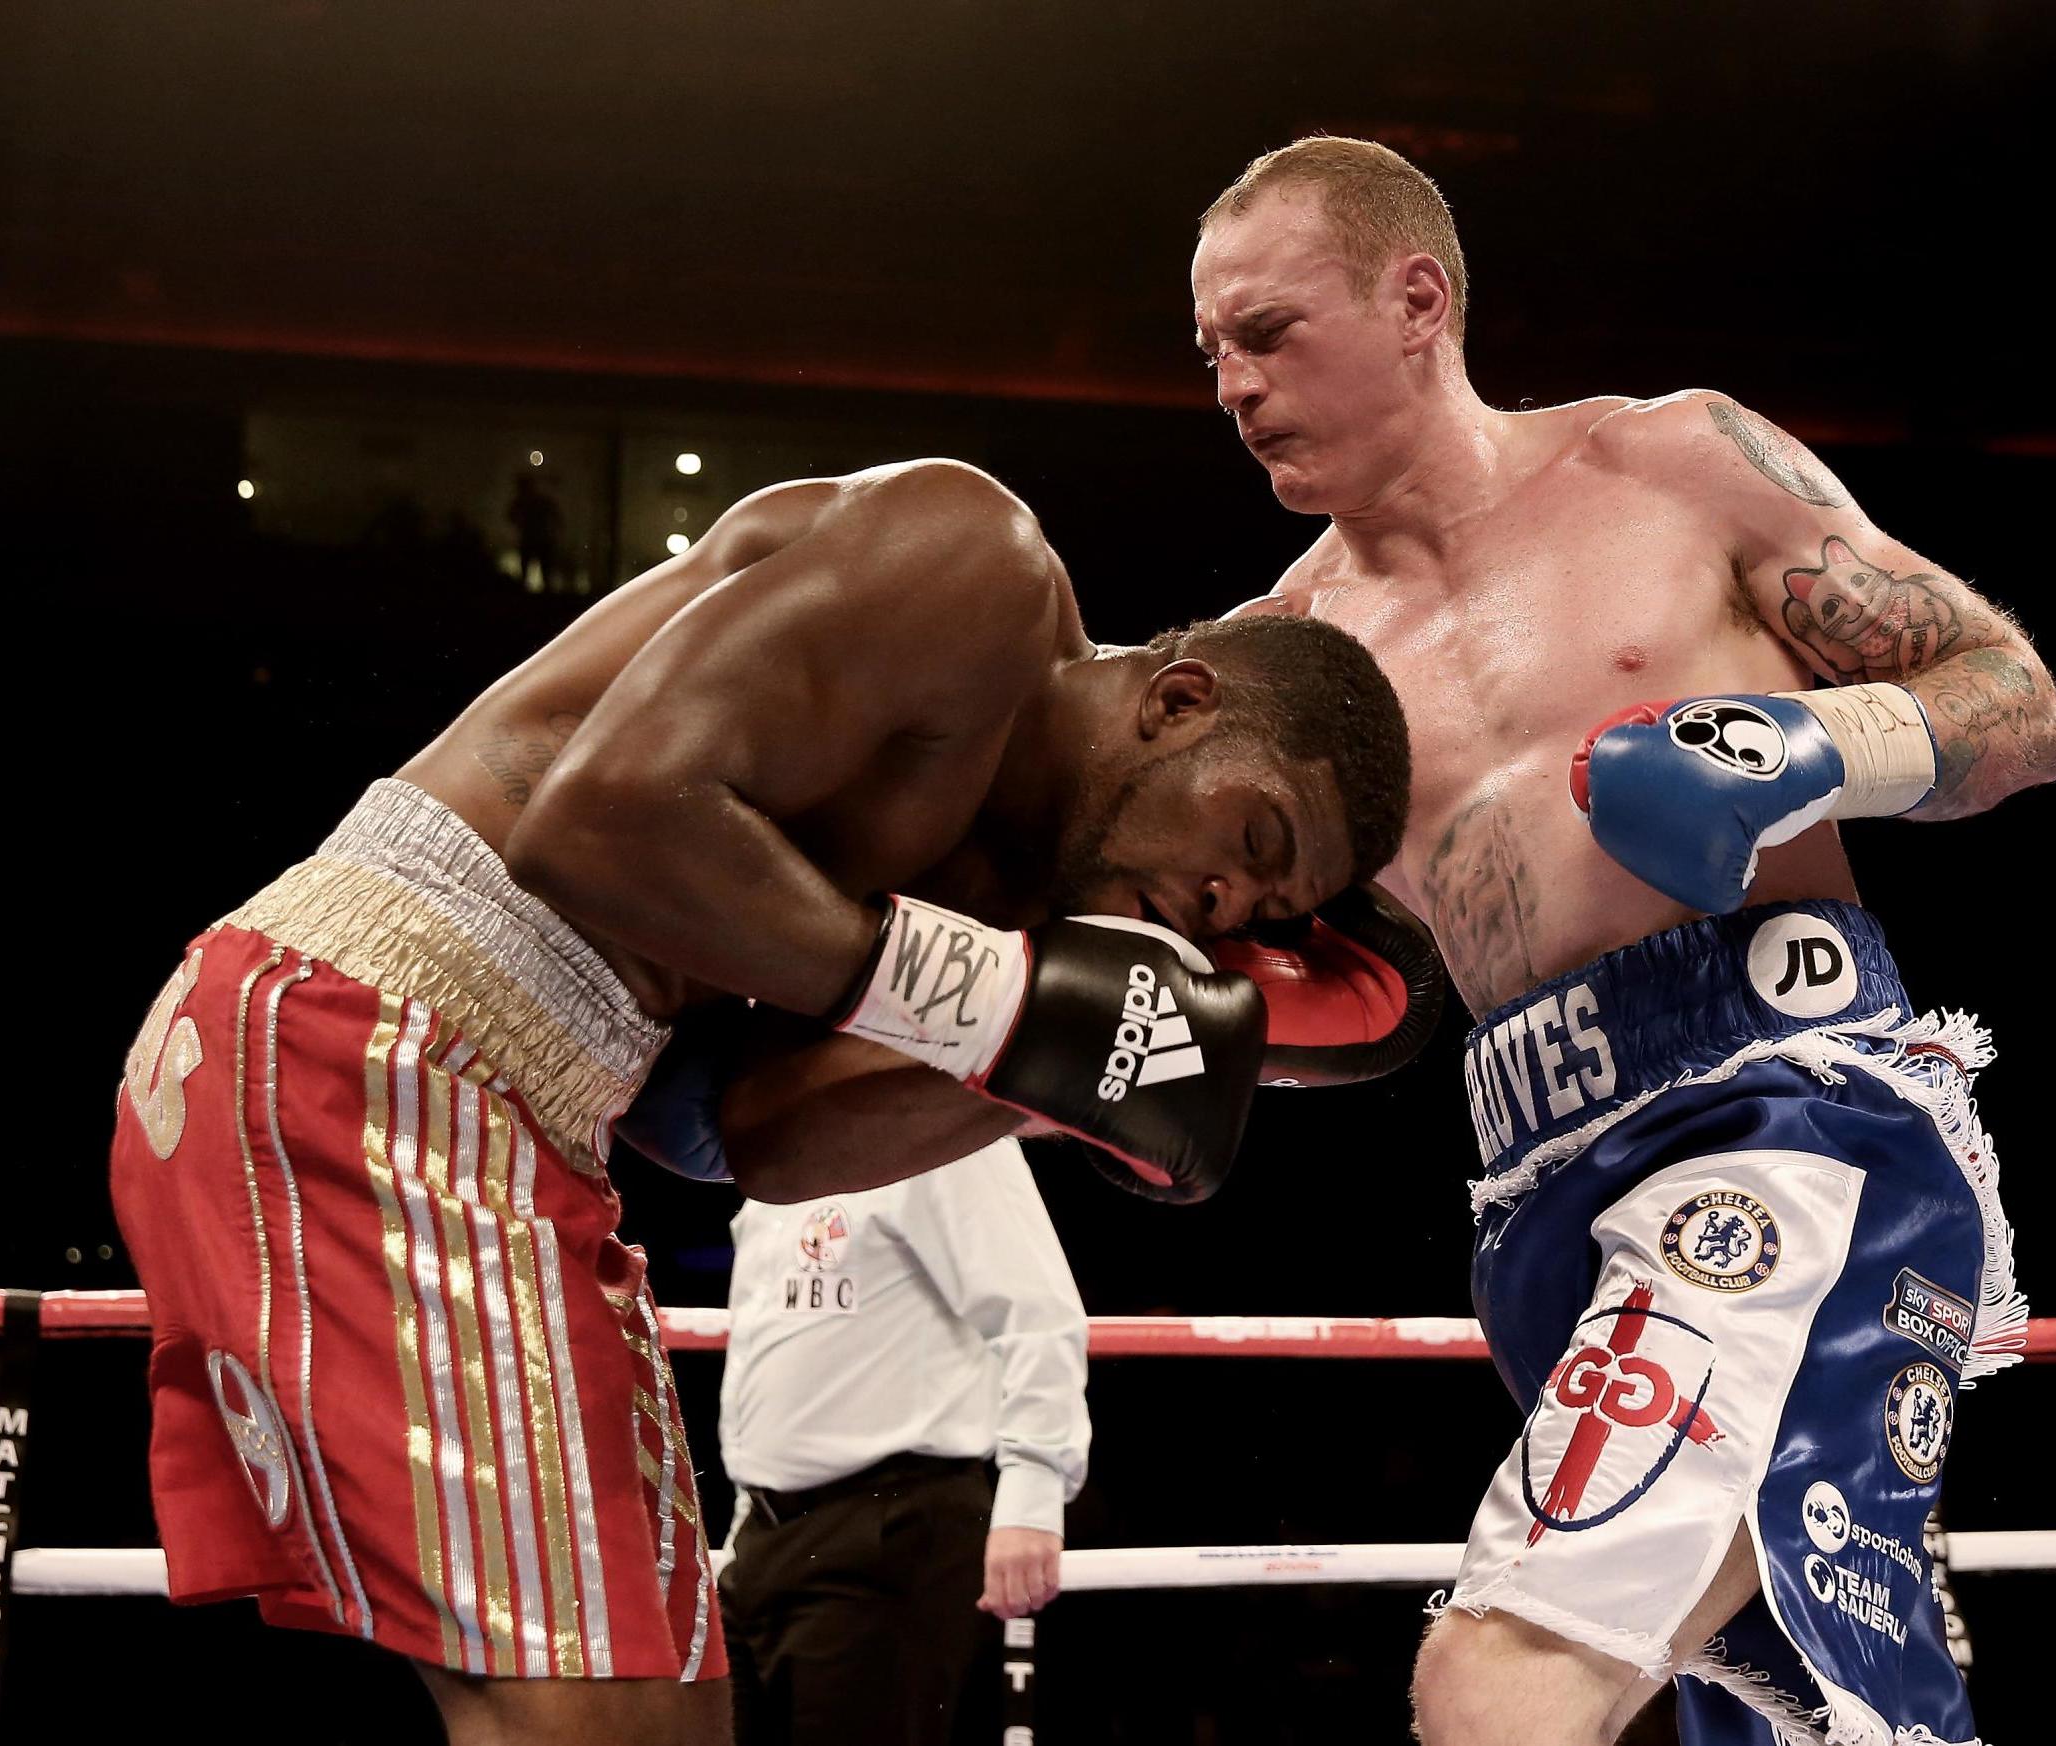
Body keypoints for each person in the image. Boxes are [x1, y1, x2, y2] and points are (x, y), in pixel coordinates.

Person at [107, 457, 1424, 1746]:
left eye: (1268, 911)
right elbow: (605, 817)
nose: (1227, 908)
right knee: (588, 1715)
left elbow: (744, 1135)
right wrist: (989, 1006)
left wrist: (1052, 1071)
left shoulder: (1014, 915)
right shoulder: (975, 573)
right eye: (1251, 845)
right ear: (1180, 701)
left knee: (677, 1707)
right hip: (381, 1026)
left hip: (512, 1113)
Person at [1191, 140, 2056, 1745]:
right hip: (1537, 1201)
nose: (1234, 385)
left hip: (1789, 1121)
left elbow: (2018, 705)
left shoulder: (1671, 465)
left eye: (1266, 331)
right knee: (1793, 1719)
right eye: (1212, 355)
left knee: (1503, 1675)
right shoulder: (1287, 668)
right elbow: (1350, 989)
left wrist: (1800, 751)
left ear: (1415, 300)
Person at [716, 1138, 1088, 1744]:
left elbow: (1039, 1316)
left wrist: (1033, 1491)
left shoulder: (945, 1134)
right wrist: (742, 1525)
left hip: (891, 1528)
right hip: (764, 1538)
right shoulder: (779, 1156)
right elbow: (772, 1368)